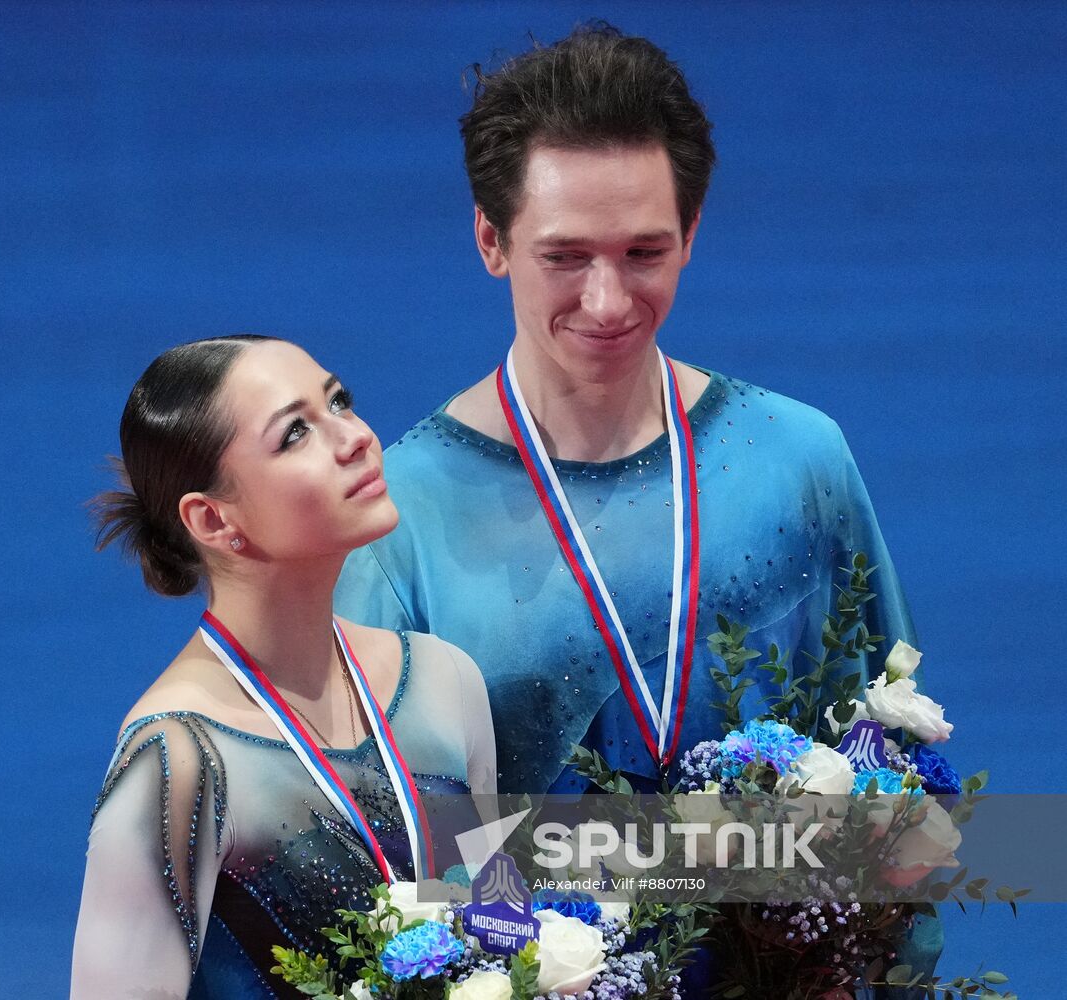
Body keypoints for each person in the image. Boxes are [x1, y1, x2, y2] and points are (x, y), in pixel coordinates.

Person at [333, 23, 939, 980]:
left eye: (644, 251)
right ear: (491, 241)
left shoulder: (797, 459)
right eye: (564, 256)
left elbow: (894, 782)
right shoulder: (397, 516)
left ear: (692, 235)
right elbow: (385, 862)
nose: (609, 301)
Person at [70, 336, 496, 1000]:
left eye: (339, 402)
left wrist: (712, 853)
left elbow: (502, 942)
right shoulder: (177, 760)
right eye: (295, 433)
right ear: (213, 519)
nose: (354, 437)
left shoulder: (445, 684)